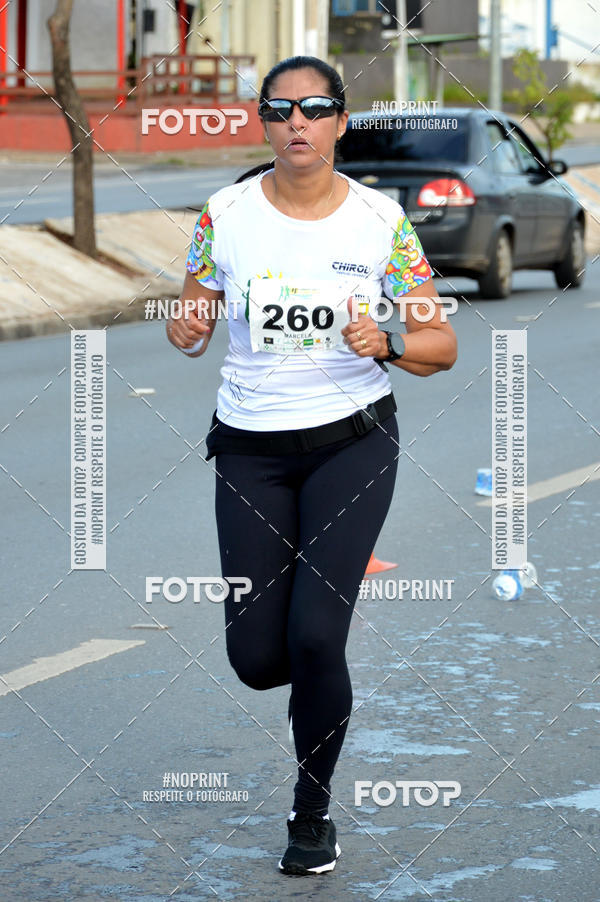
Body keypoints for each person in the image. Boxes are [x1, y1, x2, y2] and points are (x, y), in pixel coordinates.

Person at [166, 55, 457, 877]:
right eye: (282, 109)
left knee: (317, 637)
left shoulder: (378, 221)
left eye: (317, 108)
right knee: (258, 660)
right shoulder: (223, 214)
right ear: (263, 121)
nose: (299, 123)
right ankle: (303, 655)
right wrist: (186, 329)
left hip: (352, 445)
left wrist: (390, 342)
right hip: (250, 452)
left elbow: (441, 342)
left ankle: (310, 814)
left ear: (338, 122)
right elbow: (190, 312)